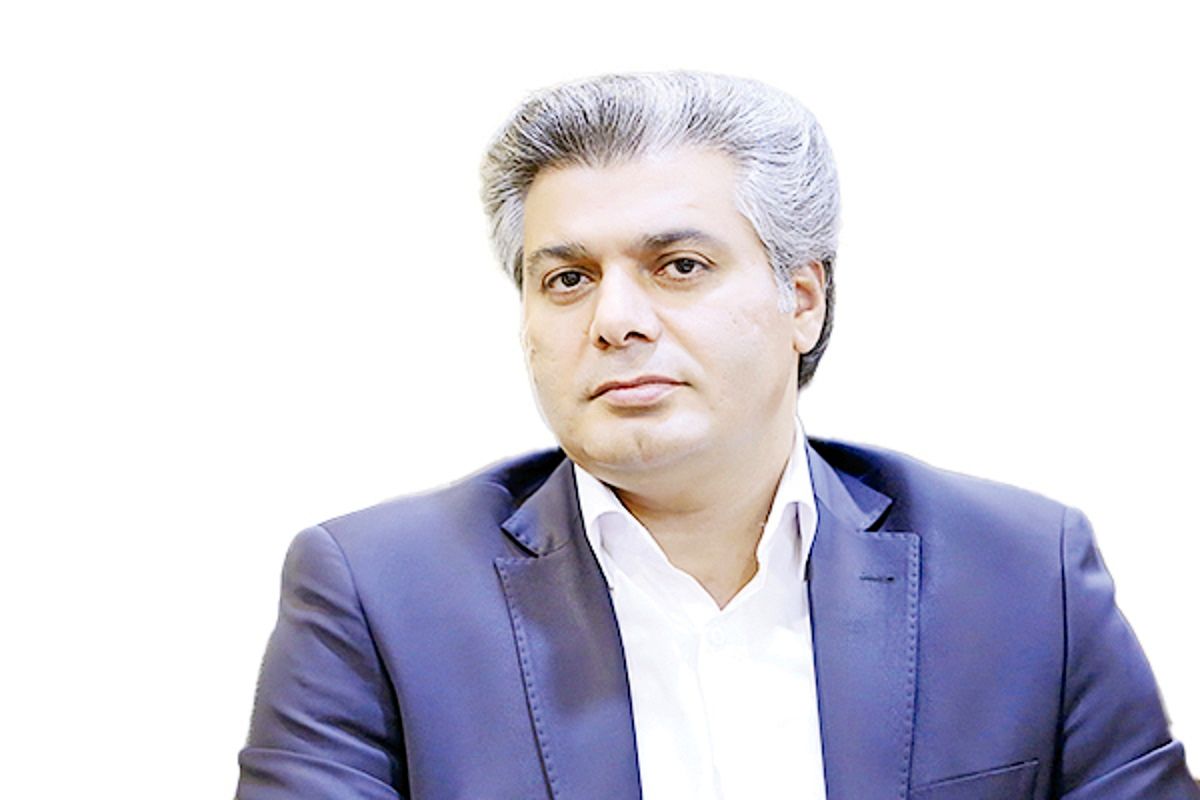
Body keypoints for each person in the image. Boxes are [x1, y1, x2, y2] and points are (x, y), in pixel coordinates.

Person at [236, 72, 1199, 799]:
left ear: (802, 299)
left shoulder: (1024, 575)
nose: (615, 320)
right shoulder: (378, 595)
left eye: (680, 266)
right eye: (567, 279)